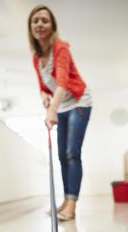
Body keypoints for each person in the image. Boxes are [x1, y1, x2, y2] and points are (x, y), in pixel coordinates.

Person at [29, 5, 92, 221]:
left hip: (79, 102)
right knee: (61, 156)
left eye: (44, 20)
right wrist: (44, 97)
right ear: (30, 27)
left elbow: (63, 83)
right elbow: (43, 86)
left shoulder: (60, 48)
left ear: (52, 26)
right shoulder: (36, 58)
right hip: (61, 106)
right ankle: (65, 201)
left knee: (72, 153)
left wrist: (51, 112)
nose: (39, 24)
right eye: (35, 20)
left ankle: (71, 206)